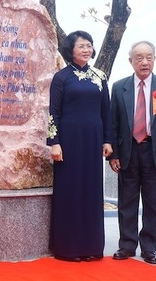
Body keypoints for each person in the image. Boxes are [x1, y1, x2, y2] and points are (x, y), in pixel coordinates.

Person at [47, 30, 112, 261]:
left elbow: (107, 111)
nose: (87, 49)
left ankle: (91, 247)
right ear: (71, 50)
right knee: (71, 191)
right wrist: (54, 142)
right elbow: (53, 111)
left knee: (91, 191)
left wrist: (107, 139)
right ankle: (69, 248)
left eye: (89, 45)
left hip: (93, 140)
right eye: (81, 46)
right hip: (69, 141)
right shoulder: (62, 77)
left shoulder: (100, 76)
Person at [109, 41, 156, 265]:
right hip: (127, 150)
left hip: (154, 151)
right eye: (139, 58)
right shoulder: (119, 87)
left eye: (148, 57)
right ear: (131, 61)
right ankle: (127, 245)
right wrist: (113, 154)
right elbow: (113, 123)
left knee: (153, 201)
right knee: (126, 200)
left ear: (155, 59)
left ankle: (149, 247)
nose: (144, 62)